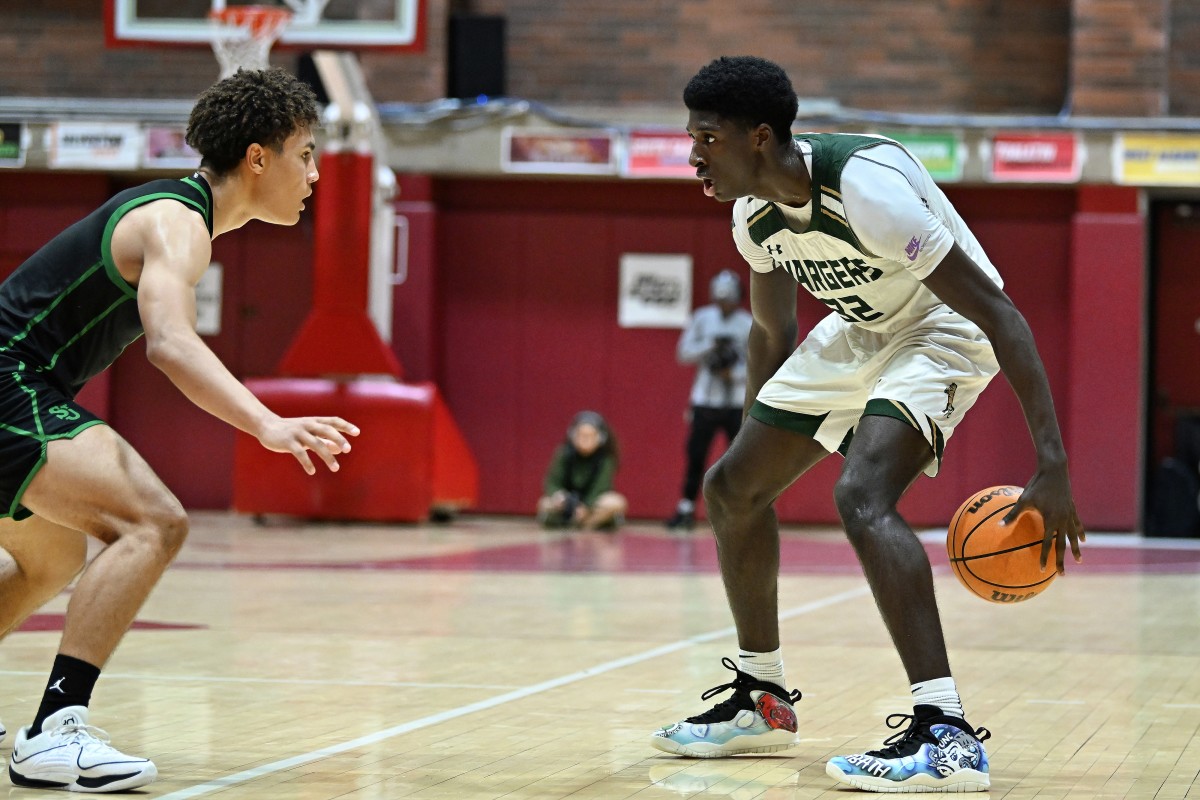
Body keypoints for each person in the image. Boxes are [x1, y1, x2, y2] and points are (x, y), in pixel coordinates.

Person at [649, 56, 1085, 793]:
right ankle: (761, 699)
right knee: (730, 489)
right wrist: (763, 440)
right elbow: (768, 333)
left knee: (862, 495)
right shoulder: (754, 217)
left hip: (943, 328)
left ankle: (945, 735)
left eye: (706, 138)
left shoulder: (865, 190)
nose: (693, 155)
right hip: (860, 331)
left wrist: (1053, 463)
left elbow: (999, 315)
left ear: (759, 138)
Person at [0, 68, 359, 793]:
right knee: (153, 523)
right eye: (307, 154)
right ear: (259, 157)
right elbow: (170, 342)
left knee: (50, 560)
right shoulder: (177, 219)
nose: (316, 173)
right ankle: (54, 731)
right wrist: (266, 423)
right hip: (9, 381)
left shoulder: (178, 215)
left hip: (19, 385)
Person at [665, 269, 752, 531]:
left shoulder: (748, 322)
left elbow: (758, 363)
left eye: (729, 298)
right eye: (720, 298)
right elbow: (683, 353)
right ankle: (686, 507)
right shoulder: (702, 318)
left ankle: (740, 511)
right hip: (705, 399)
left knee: (739, 458)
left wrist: (734, 374)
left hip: (736, 401)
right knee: (696, 455)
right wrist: (710, 346)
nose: (724, 303)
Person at [537, 410, 627, 531]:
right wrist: (559, 496)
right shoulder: (563, 454)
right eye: (581, 435)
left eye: (590, 436)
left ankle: (586, 525)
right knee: (544, 504)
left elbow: (601, 487)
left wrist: (586, 507)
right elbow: (552, 481)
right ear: (573, 436)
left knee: (616, 502)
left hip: (593, 504)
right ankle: (571, 523)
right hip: (567, 503)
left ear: (600, 438)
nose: (585, 440)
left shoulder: (606, 459)